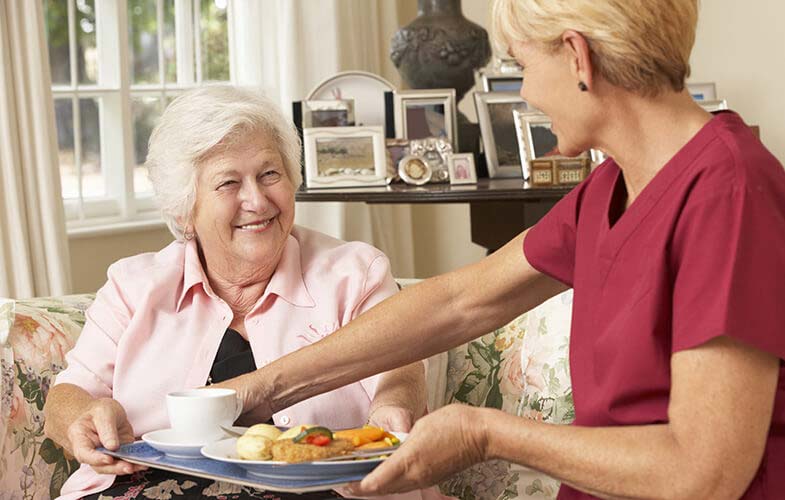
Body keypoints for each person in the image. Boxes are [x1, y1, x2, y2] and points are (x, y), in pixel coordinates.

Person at [214, 1, 785, 498]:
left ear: (577, 57)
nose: (525, 94)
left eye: (521, 66)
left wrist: (487, 434)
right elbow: (462, 300)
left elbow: (702, 472)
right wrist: (256, 390)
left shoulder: (730, 192)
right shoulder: (612, 187)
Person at [42, 86, 436, 500]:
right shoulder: (134, 286)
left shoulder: (353, 273)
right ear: (184, 210)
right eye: (228, 183)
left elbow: (399, 366)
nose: (257, 200)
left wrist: (393, 408)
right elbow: (66, 397)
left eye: (270, 174)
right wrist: (83, 418)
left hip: (320, 487)